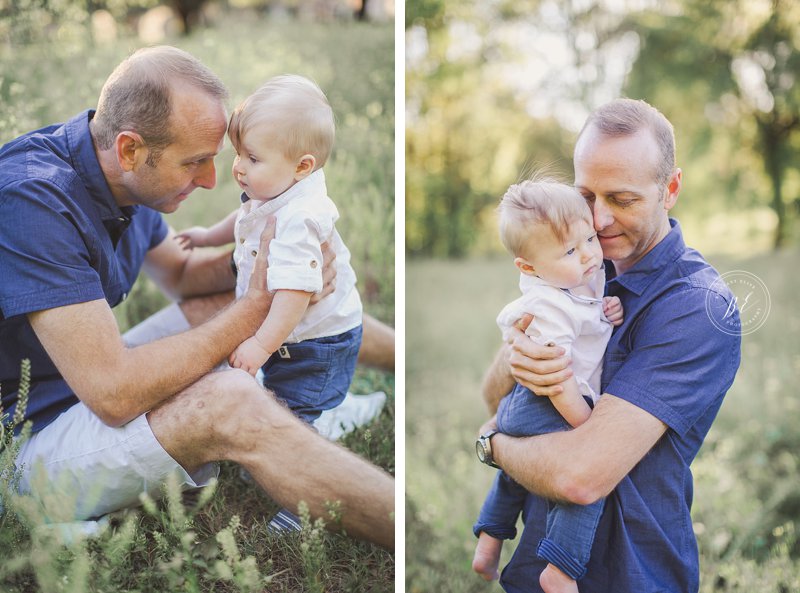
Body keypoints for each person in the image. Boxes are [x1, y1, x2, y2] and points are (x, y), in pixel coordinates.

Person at [0, 45, 393, 550]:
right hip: (19, 445)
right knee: (230, 399)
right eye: (196, 163)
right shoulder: (34, 201)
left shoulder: (115, 173)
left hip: (73, 385)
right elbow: (113, 392)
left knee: (249, 296)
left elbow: (184, 275)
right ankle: (399, 527)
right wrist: (256, 302)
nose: (212, 180)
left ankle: (393, 364)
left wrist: (268, 266)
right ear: (129, 149)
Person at [478, 99, 741, 592]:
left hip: (632, 572)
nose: (597, 220)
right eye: (585, 195)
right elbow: (495, 398)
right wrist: (519, 349)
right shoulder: (574, 273)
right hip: (537, 563)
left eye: (621, 199)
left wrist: (492, 444)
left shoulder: (699, 308)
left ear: (671, 189)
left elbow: (580, 475)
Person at [176, 74, 362, 424]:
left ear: (302, 165)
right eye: (239, 154)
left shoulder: (300, 219)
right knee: (276, 390)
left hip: (315, 345)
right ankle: (333, 412)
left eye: (253, 158)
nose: (238, 167)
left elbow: (296, 293)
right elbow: (247, 215)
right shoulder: (280, 186)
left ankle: (320, 432)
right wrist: (207, 236)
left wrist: (261, 346)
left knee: (291, 413)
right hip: (291, 335)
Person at [471, 179, 623, 593]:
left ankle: (489, 542)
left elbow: (590, 313)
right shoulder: (550, 305)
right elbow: (556, 378)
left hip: (521, 407)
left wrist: (607, 307)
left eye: (590, 238)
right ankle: (560, 569)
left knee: (517, 473)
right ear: (528, 267)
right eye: (571, 251)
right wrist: (585, 425)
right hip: (549, 403)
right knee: (588, 484)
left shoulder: (576, 277)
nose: (590, 253)